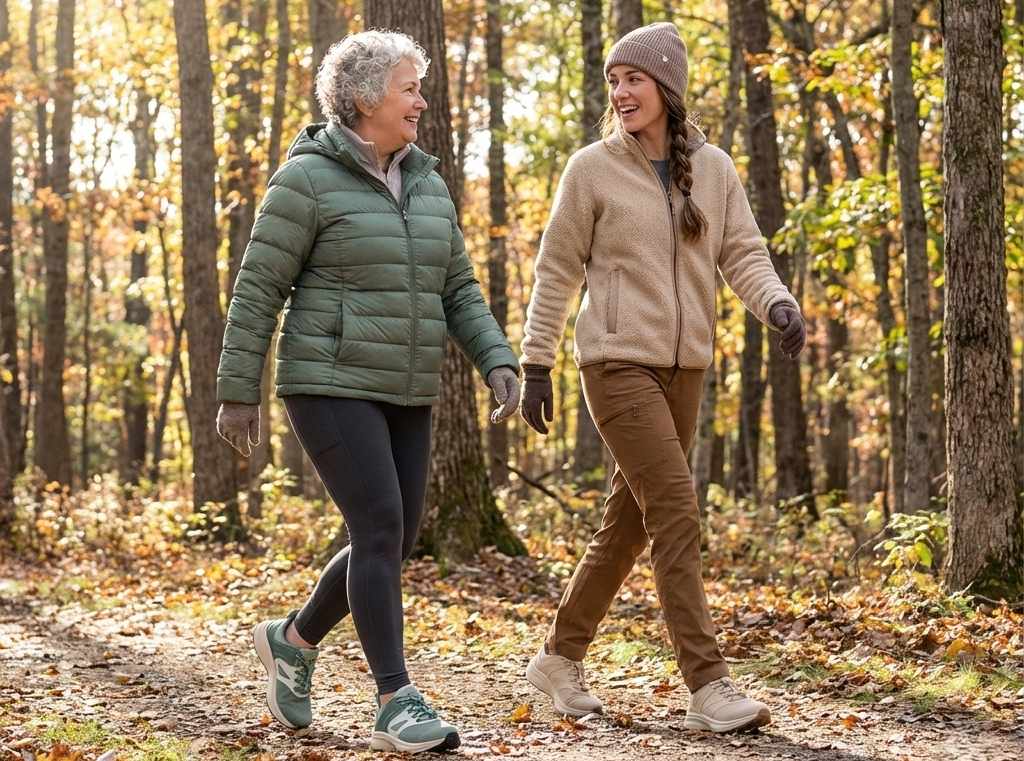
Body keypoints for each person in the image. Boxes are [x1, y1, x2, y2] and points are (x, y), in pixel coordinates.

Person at [215, 30, 520, 754]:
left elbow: (459, 288)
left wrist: (497, 359)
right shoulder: (307, 178)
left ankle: (291, 639)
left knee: (391, 537)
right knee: (380, 526)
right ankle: (395, 698)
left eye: (419, 87)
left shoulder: (427, 181)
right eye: (410, 87)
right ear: (363, 99)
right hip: (327, 379)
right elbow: (259, 286)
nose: (421, 100)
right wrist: (238, 390)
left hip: (405, 386)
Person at [519, 22, 806, 734]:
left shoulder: (713, 169)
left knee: (629, 523)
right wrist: (535, 359)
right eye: (614, 80)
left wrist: (777, 302)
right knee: (676, 507)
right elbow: (556, 267)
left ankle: (559, 656)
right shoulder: (590, 168)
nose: (620, 92)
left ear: (667, 89)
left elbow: (742, 250)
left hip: (686, 370)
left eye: (634, 80)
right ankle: (708, 682)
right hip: (615, 363)